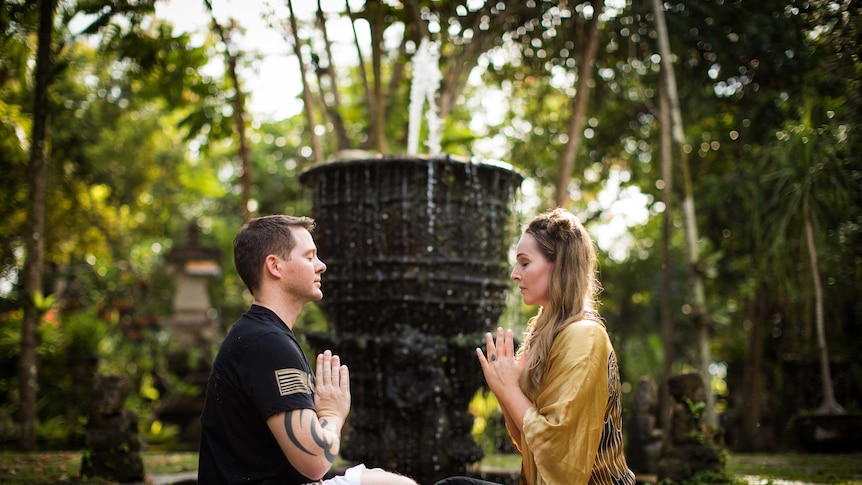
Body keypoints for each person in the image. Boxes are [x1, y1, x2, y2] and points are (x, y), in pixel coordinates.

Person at [198, 215, 417, 485]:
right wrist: (332, 414)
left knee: (380, 478)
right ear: (275, 266)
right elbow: (315, 462)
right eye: (310, 256)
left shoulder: (261, 335)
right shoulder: (267, 343)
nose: (321, 266)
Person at [436, 208, 636, 485]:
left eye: (524, 263)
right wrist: (505, 390)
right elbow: (528, 442)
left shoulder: (584, 336)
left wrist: (509, 389)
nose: (514, 274)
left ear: (560, 265)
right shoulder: (545, 332)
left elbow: (560, 455)